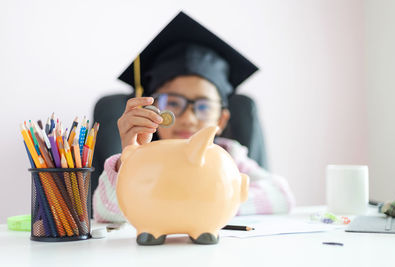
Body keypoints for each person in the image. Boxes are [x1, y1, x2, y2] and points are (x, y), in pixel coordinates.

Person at [93, 12, 295, 223]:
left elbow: (281, 196)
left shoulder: (229, 155)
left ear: (221, 120)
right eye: (172, 103)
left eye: (203, 106)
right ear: (154, 108)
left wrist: (201, 200)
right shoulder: (142, 157)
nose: (188, 118)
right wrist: (128, 157)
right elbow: (105, 212)